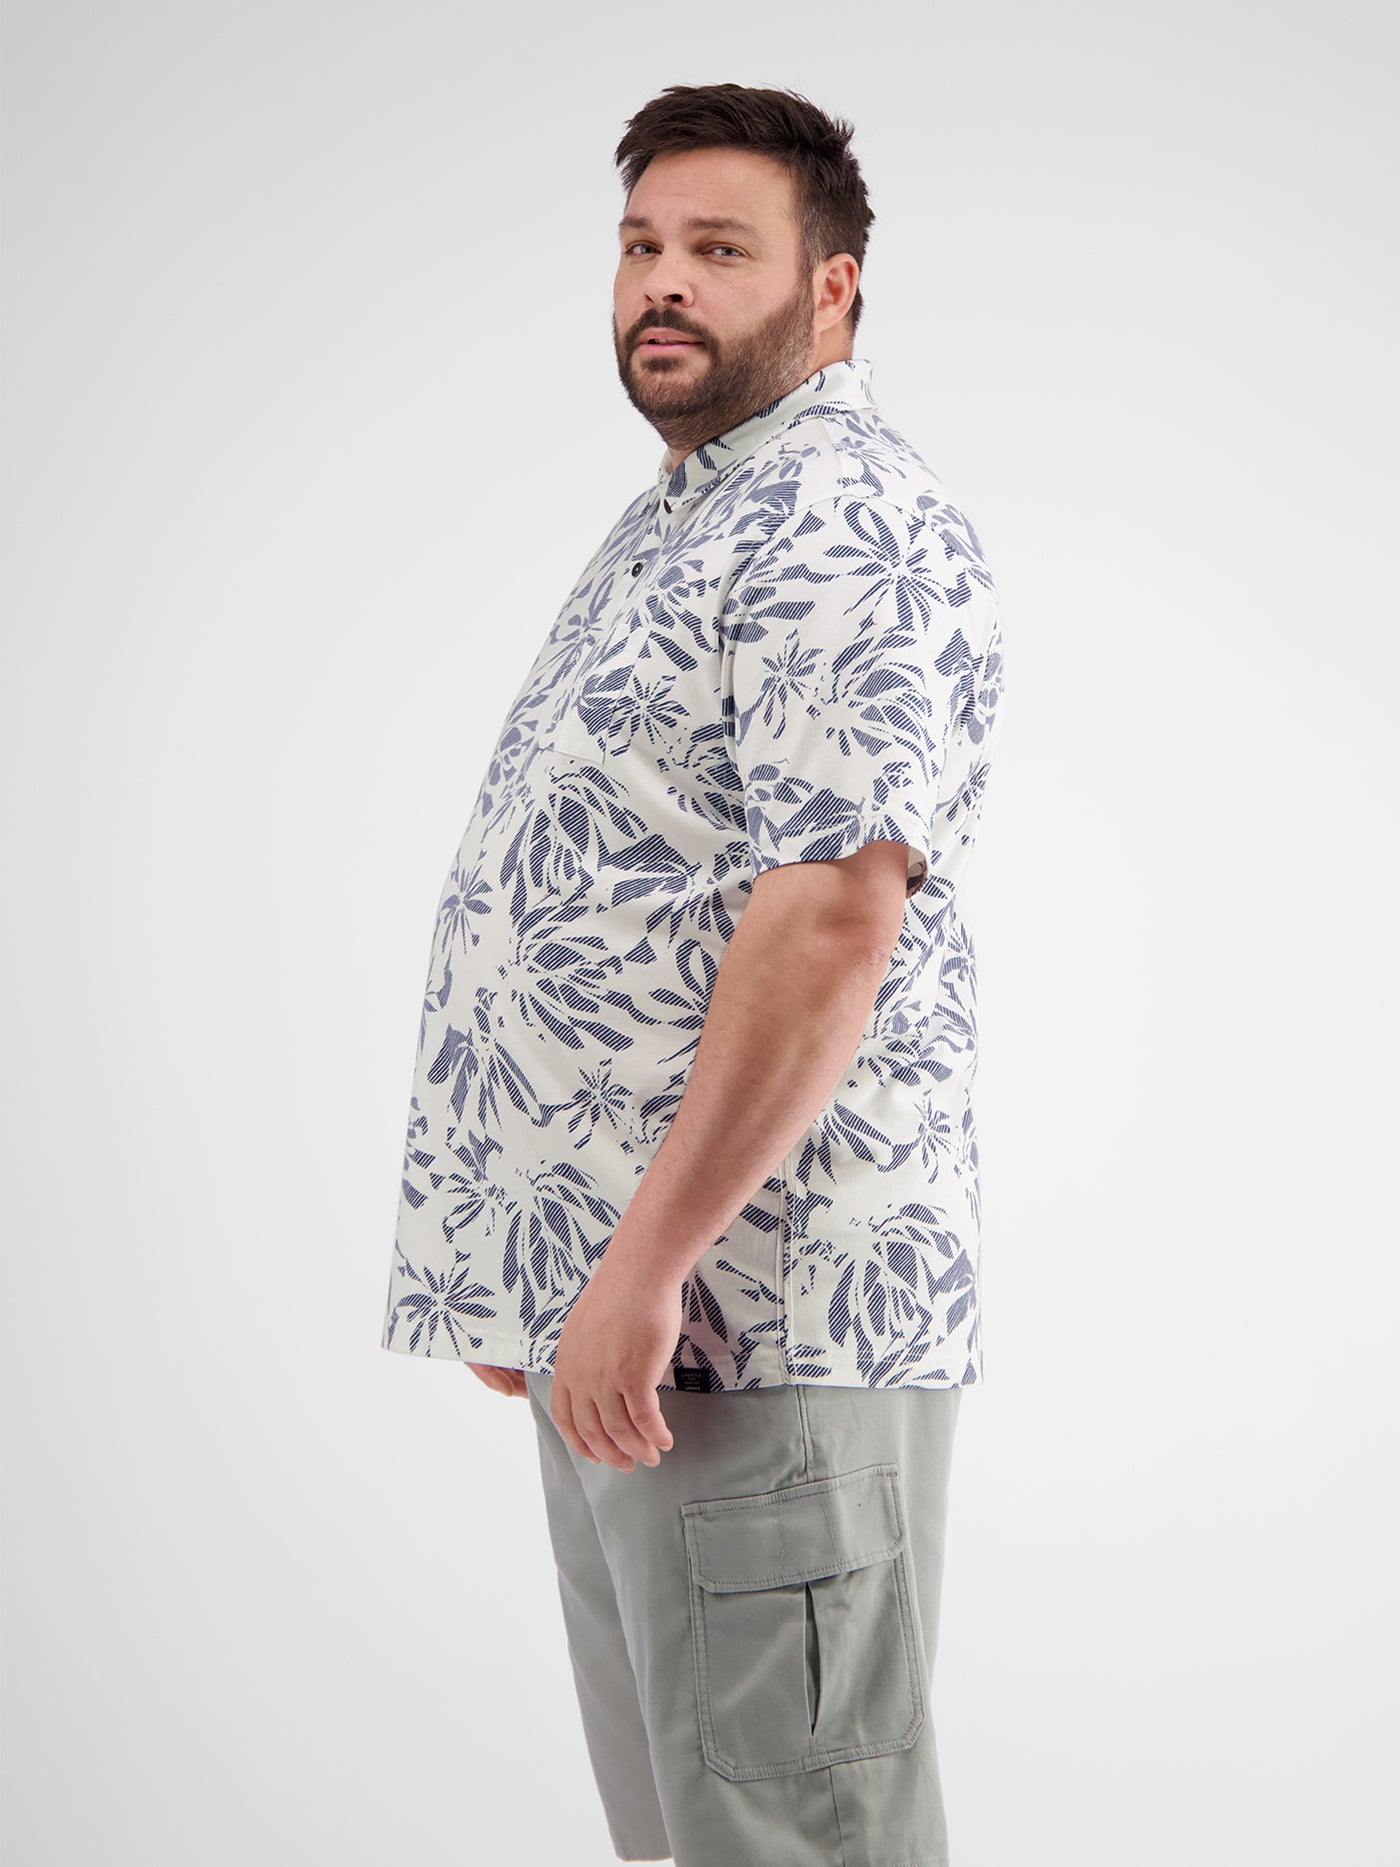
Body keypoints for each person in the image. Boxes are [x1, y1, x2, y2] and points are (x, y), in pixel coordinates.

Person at [381, 80, 1005, 1867]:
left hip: (753, 1314)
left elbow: (830, 921)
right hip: (634, 1318)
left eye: (721, 249)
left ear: (833, 288)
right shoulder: (696, 510)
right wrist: (541, 1272)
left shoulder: (840, 518)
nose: (663, 282)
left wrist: (642, 1271)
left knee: (800, 1834)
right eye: (643, 244)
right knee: (701, 1828)